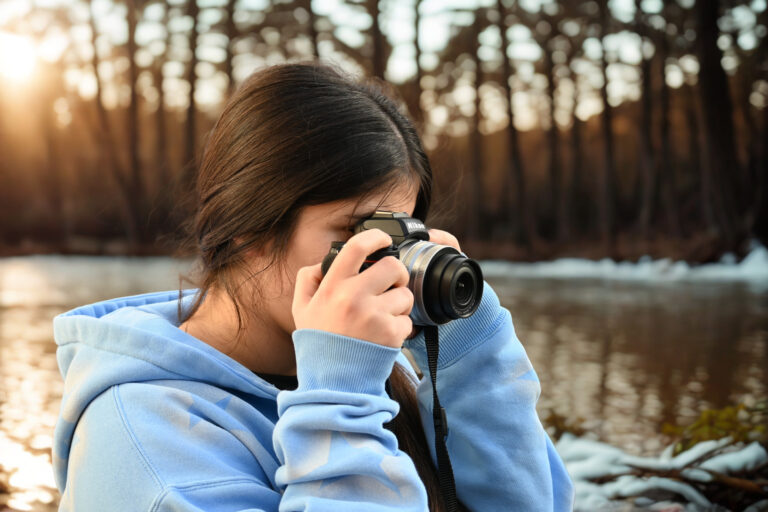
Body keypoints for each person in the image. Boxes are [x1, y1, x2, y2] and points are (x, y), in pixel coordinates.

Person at [51, 60, 574, 511]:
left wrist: (470, 352)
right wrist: (339, 404)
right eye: (356, 232)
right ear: (248, 232)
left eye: (401, 232)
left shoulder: (362, 374)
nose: (387, 263)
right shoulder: (142, 440)